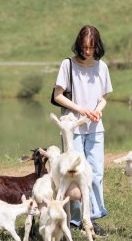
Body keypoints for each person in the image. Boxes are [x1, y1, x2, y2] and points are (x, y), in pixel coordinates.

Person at [52, 25, 113, 236]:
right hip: (73, 128)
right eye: (84, 47)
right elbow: (58, 95)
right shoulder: (67, 65)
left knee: (95, 173)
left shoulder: (102, 67)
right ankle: (74, 219)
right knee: (72, 174)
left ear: (97, 46)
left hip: (95, 128)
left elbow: (104, 98)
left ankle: (93, 217)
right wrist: (81, 110)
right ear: (79, 45)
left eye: (91, 47)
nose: (87, 51)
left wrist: (97, 111)